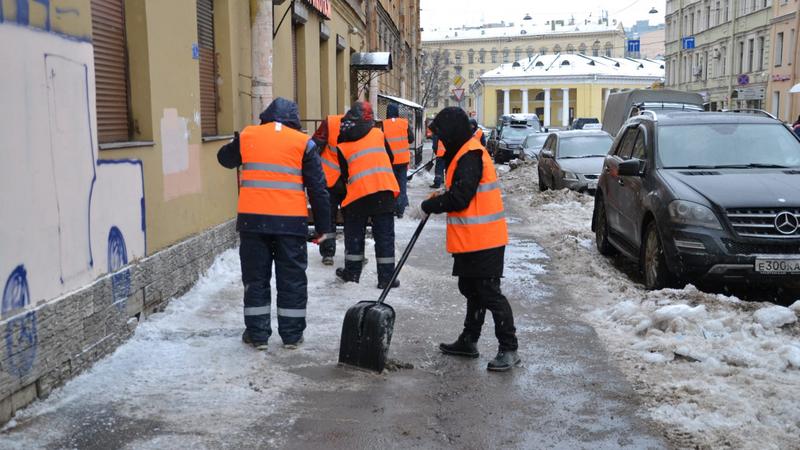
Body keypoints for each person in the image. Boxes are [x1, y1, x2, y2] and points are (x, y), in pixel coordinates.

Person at [217, 97, 332, 351]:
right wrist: (324, 228)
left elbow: (224, 159)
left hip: (252, 221)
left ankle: (258, 336)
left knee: (255, 278)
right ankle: (291, 336)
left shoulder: (249, 136)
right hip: (290, 224)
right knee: (291, 279)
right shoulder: (303, 143)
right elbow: (318, 189)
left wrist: (235, 142)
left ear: (266, 117)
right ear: (294, 121)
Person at [421, 107, 520, 372]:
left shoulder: (471, 155)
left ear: (453, 131)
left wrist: (433, 205)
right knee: (471, 289)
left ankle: (509, 348)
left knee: (488, 292)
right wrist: (440, 197)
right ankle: (469, 340)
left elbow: (461, 198)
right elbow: (461, 191)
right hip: (472, 239)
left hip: (485, 239)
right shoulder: (463, 152)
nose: (440, 141)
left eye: (442, 134)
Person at [334, 101, 401, 289]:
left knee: (354, 235)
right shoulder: (378, 134)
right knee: (384, 236)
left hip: (358, 195)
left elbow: (345, 173)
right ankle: (386, 278)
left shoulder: (342, 144)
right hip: (383, 190)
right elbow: (391, 158)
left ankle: (352, 274)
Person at [311, 114, 346, 266]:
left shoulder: (330, 123)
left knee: (327, 218)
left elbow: (315, 146)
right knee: (352, 219)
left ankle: (327, 253)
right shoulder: (364, 126)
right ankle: (354, 252)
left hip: (329, 179)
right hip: (348, 181)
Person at [382, 103, 415, 218]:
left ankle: (393, 208)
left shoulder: (383, 125)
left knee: (392, 186)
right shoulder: (404, 123)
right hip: (403, 160)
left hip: (389, 161)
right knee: (402, 185)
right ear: (397, 112)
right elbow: (411, 139)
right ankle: (400, 210)